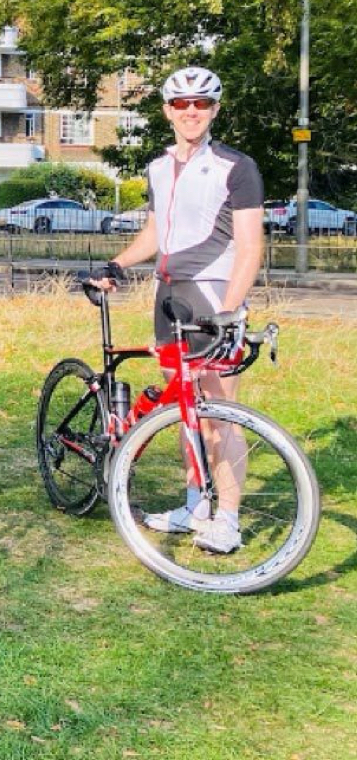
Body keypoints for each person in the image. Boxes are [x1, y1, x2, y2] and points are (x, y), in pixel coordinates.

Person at [89, 66, 263, 554]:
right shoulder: (159, 167)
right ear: (167, 111)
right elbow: (156, 234)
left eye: (202, 104)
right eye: (182, 105)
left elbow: (250, 247)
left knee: (219, 415)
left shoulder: (236, 167)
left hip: (213, 299)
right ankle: (195, 505)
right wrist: (118, 263)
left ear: (215, 110)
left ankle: (227, 518)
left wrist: (230, 311)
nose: (191, 113)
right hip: (168, 299)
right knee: (187, 410)